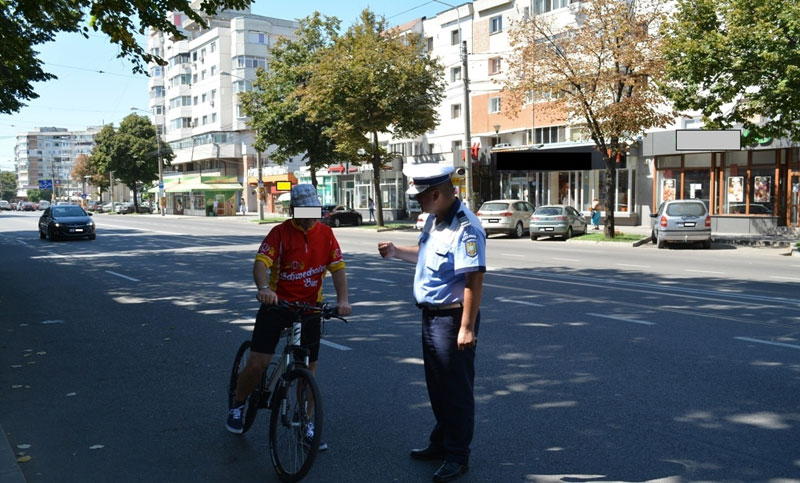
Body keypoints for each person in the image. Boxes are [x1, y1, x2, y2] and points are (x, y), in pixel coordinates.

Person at [378, 164, 486, 483]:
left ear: (436, 194)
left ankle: (457, 456)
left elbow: (474, 279)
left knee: (456, 390)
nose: (417, 202)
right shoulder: (434, 220)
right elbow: (425, 254)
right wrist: (396, 252)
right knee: (438, 387)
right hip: (431, 316)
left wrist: (466, 327)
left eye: (419, 196)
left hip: (453, 319)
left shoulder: (466, 229)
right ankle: (441, 442)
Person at [226, 184, 352, 450]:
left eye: (313, 211)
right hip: (277, 305)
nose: (310, 218)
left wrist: (343, 301)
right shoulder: (280, 233)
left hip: (309, 308)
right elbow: (261, 264)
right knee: (259, 362)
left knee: (308, 368)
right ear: (294, 210)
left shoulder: (326, 234)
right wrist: (264, 289)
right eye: (304, 212)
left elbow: (338, 268)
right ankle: (238, 404)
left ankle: (305, 423)